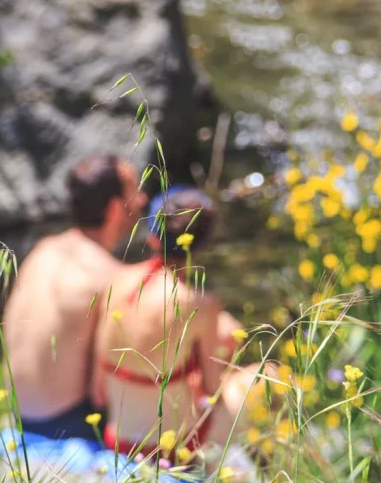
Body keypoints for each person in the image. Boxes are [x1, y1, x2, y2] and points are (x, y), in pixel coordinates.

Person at [92, 186, 268, 459]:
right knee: (270, 375)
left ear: (152, 238)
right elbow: (213, 391)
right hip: (172, 449)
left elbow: (99, 391)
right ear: (202, 244)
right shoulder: (198, 304)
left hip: (116, 440)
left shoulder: (114, 279)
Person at [1, 155, 148, 440]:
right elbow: (103, 387)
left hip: (17, 414)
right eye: (134, 191)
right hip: (67, 425)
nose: (142, 200)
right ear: (116, 208)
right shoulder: (109, 277)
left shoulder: (43, 249)